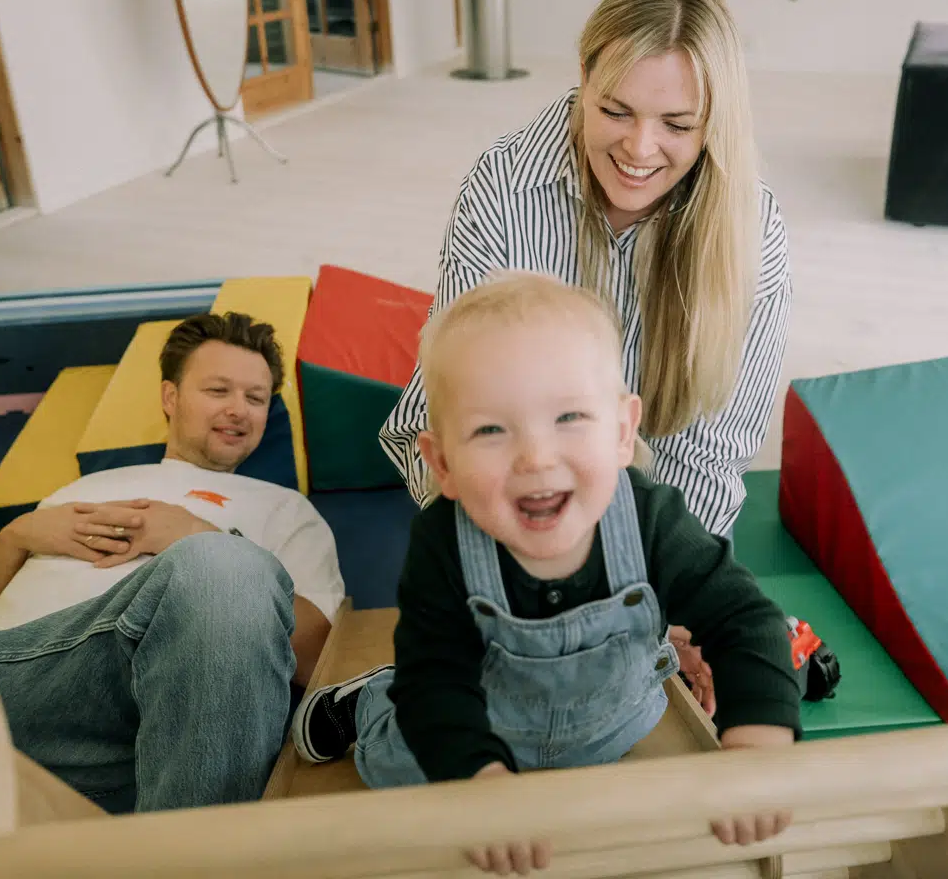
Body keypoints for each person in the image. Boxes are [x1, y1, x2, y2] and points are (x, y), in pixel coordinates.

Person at [292, 273, 801, 875]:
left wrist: (760, 734)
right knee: (399, 772)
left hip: (609, 724)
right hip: (470, 719)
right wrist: (480, 781)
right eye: (490, 429)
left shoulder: (649, 519)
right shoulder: (443, 545)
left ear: (620, 431)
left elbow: (744, 617)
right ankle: (369, 703)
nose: (536, 456)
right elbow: (437, 686)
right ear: (443, 464)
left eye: (568, 417)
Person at [0, 311, 344, 813]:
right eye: (217, 390)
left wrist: (197, 536)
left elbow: (324, 658)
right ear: (170, 396)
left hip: (132, 712)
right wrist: (13, 538)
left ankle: (189, 851)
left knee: (223, 568)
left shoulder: (286, 510)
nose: (238, 409)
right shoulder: (85, 487)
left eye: (256, 397)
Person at [380, 0, 792, 544]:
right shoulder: (503, 188)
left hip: (655, 524)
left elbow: (709, 454)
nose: (639, 149)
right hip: (505, 500)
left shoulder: (751, 226)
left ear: (712, 125)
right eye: (616, 112)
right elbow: (453, 414)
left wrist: (655, 588)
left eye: (676, 125)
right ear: (584, 78)